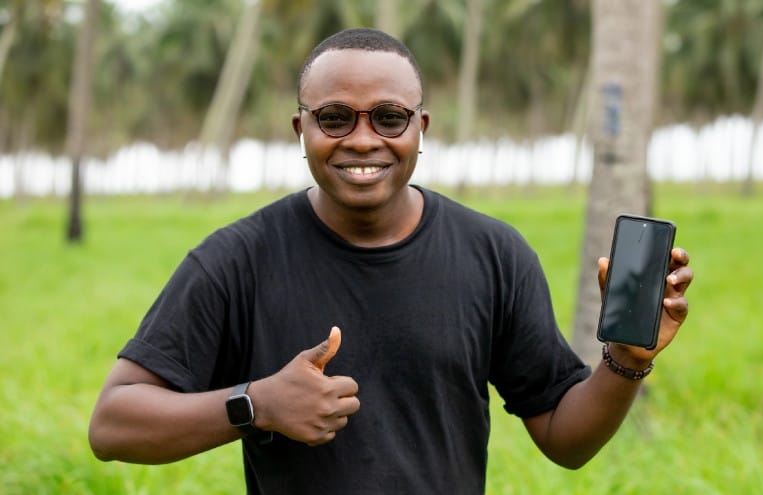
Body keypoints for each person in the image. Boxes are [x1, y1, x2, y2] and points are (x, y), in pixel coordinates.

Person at [88, 27, 693, 494]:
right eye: (333, 118)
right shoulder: (236, 260)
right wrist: (257, 404)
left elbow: (565, 439)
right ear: (300, 128)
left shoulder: (493, 254)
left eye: (388, 117)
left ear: (419, 127)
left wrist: (623, 362)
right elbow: (113, 424)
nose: (361, 139)